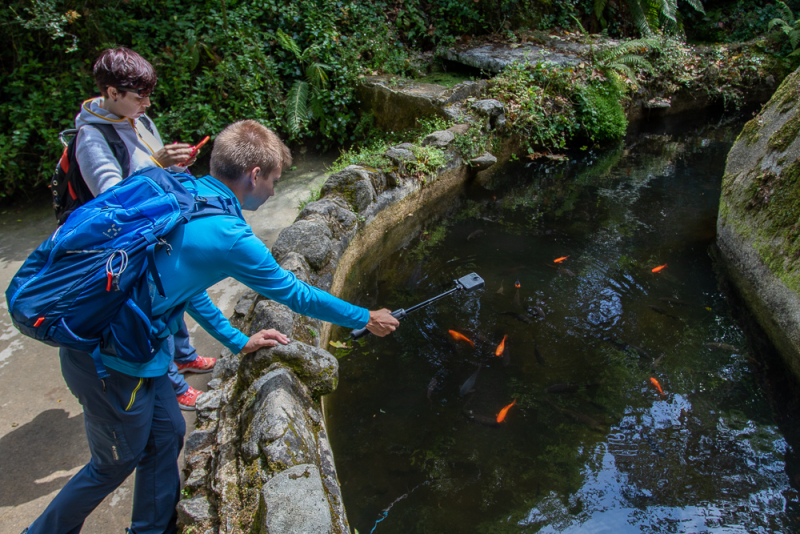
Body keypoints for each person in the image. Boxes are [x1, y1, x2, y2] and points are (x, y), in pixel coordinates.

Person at [23, 119, 400, 534]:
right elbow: (295, 294)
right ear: (254, 176)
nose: (274, 189)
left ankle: (151, 529)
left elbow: (189, 287)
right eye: (274, 179)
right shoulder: (232, 236)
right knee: (113, 463)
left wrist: (238, 341)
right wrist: (366, 317)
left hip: (137, 351)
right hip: (107, 363)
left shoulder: (184, 189)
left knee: (166, 436)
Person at [74, 46, 215, 410]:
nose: (147, 103)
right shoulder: (92, 139)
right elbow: (111, 198)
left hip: (158, 230)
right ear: (112, 93)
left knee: (176, 296)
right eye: (141, 96)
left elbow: (158, 177)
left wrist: (176, 166)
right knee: (151, 312)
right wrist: (156, 163)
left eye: (149, 95)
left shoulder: (138, 119)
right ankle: (172, 383)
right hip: (128, 243)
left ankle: (184, 355)